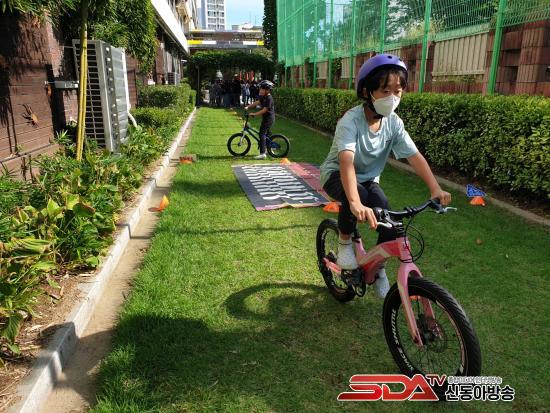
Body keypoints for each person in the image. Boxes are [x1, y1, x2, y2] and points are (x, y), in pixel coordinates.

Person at [319, 54, 452, 299]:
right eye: (385, 90)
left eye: (398, 91)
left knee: (390, 220)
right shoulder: (350, 121)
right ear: (367, 91)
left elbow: (414, 156)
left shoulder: (394, 123)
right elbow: (346, 162)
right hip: (336, 175)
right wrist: (355, 203)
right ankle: (345, 243)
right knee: (357, 195)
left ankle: (378, 267)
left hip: (368, 180)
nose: (392, 97)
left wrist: (435, 188)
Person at [244, 80, 275, 160]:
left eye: (262, 89)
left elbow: (264, 110)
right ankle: (269, 148)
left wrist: (255, 114)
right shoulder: (264, 97)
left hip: (269, 119)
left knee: (262, 134)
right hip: (266, 118)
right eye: (260, 89)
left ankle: (262, 153)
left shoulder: (269, 98)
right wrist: (248, 107)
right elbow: (257, 102)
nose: (260, 90)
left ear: (267, 90)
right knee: (266, 134)